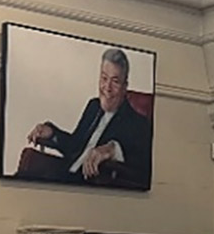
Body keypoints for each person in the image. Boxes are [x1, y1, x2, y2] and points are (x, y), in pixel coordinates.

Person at [25, 47, 153, 188]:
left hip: (90, 185)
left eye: (115, 81)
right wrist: (51, 133)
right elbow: (75, 145)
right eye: (104, 78)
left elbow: (142, 165)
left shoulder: (137, 123)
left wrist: (113, 149)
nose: (107, 88)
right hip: (65, 173)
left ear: (125, 87)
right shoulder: (93, 106)